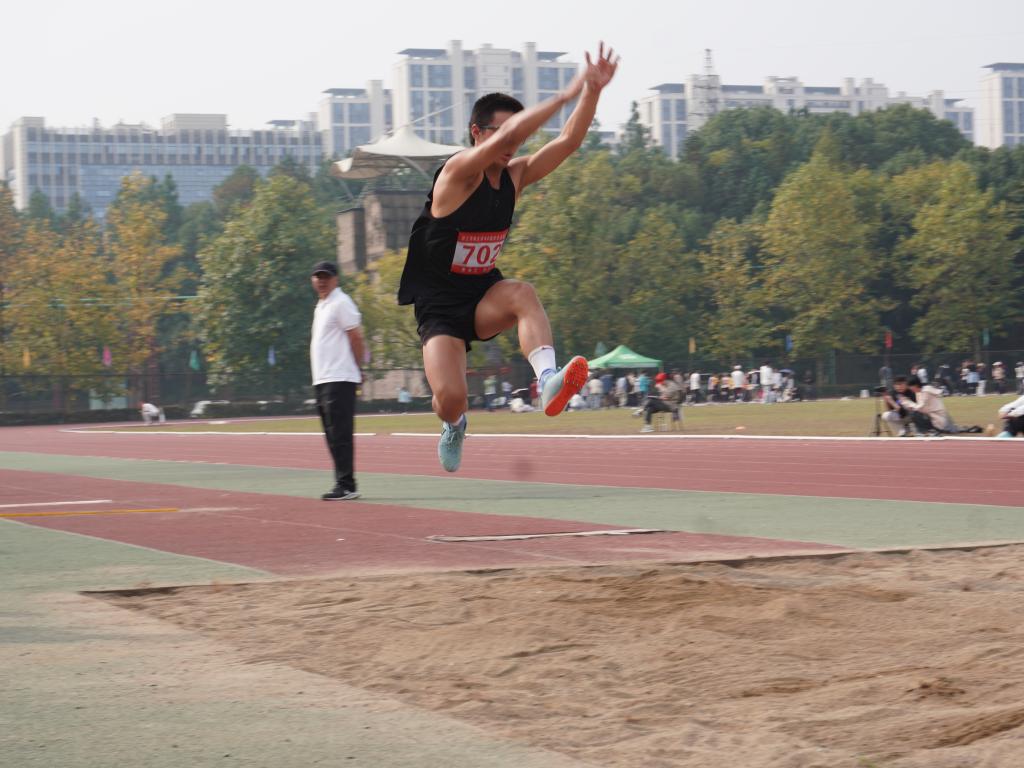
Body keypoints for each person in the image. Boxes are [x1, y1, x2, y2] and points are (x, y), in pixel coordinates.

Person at [396, 44, 619, 472]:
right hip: (439, 307)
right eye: (503, 133)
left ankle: (548, 381)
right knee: (450, 398)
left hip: (483, 296)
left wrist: (591, 91)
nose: (513, 143)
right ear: (477, 133)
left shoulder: (514, 177)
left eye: (517, 136)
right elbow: (509, 136)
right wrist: (564, 94)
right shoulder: (458, 173)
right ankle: (454, 424)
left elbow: (569, 141)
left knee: (522, 293)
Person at [310, 261, 364, 501]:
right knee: (332, 434)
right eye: (318, 277)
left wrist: (357, 367)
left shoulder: (341, 302)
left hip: (340, 377)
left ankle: (347, 485)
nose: (322, 280)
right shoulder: (322, 305)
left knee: (340, 433)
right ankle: (342, 482)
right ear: (313, 280)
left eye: (326, 276)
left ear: (336, 279)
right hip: (323, 378)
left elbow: (356, 337)